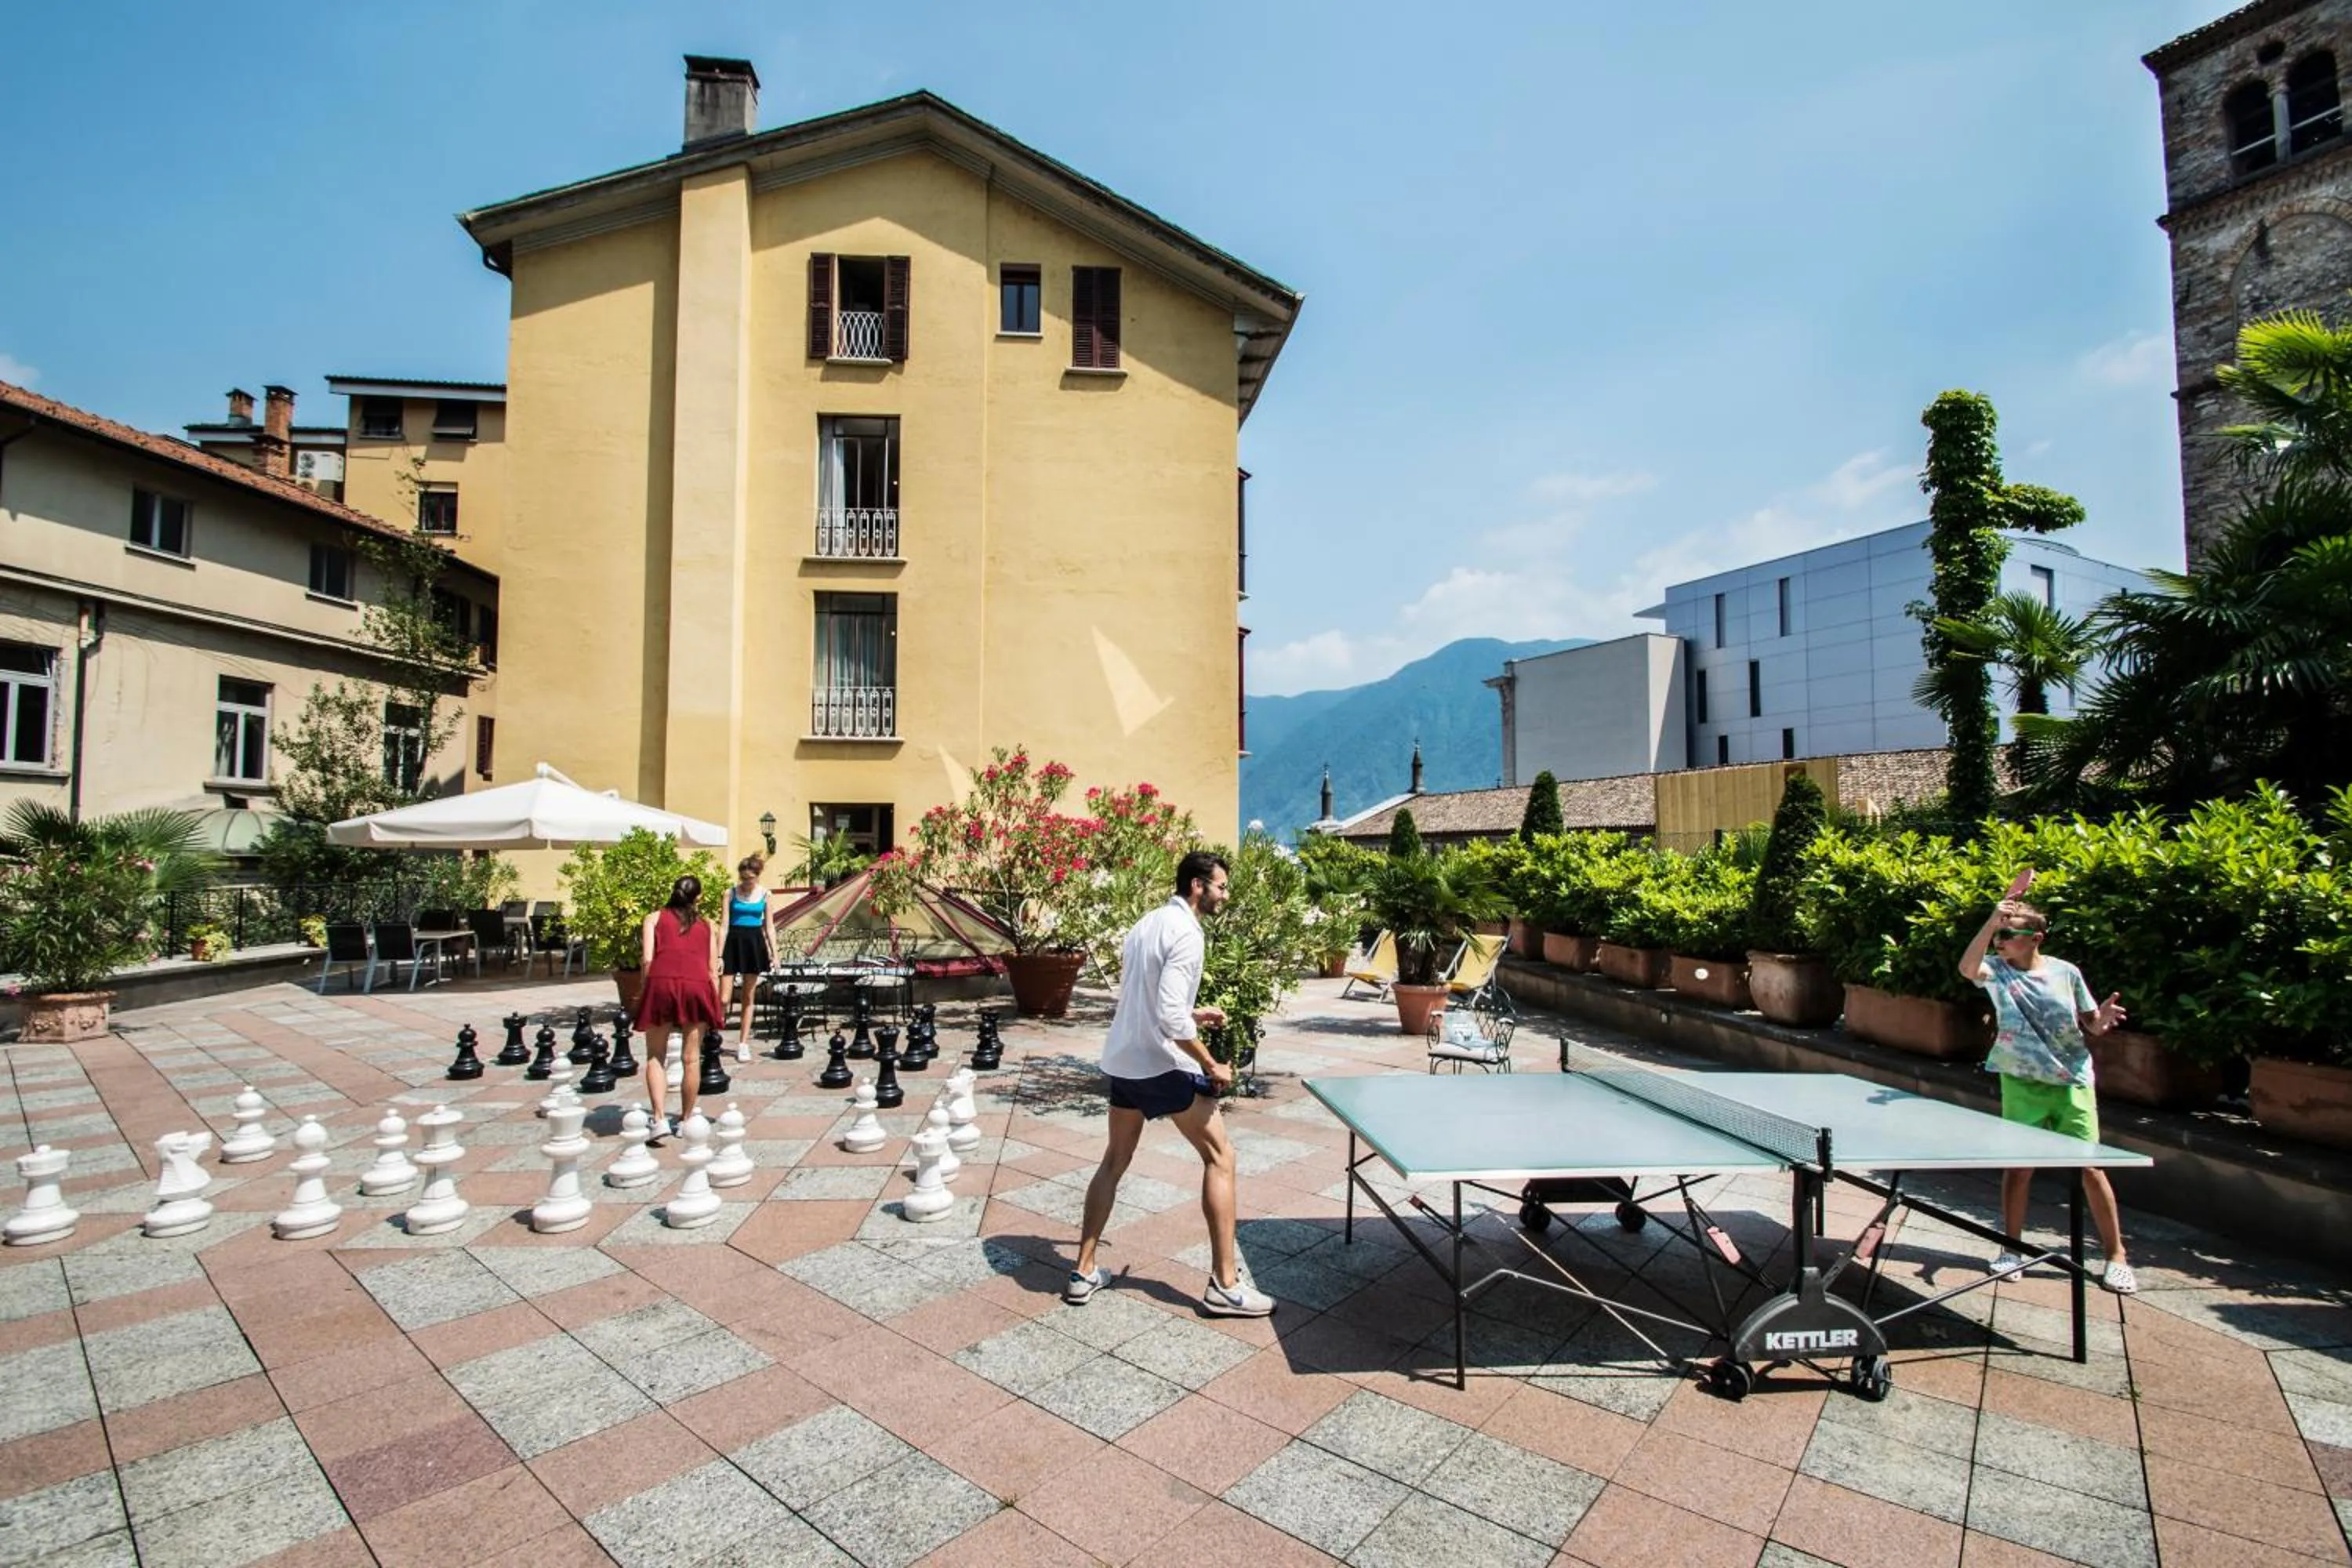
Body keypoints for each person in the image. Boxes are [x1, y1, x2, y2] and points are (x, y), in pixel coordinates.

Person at [1066, 850, 1275, 1317]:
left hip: (1124, 1061)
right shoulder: (1188, 932)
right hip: (1160, 1064)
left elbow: (1147, 997)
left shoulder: (1147, 923)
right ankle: (1225, 1285)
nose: (1226, 894)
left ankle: (1083, 1271)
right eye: (1221, 886)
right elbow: (1167, 1016)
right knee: (1222, 1157)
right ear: (1197, 886)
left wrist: (1191, 1013)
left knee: (1114, 1160)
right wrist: (1211, 1066)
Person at [1958, 895, 2136, 1294]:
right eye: (1998, 934)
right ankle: (2011, 1250)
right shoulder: (1998, 971)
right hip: (2020, 1081)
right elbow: (1967, 967)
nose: (2000, 941)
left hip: (2071, 1081)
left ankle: (2116, 1256)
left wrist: (2102, 1021)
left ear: (2035, 938)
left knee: (2090, 1168)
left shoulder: (2066, 973)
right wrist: (1990, 921)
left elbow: (2090, 1023)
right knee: (2019, 1169)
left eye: (2008, 934)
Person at [633, 874, 724, 1140]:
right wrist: (715, 1003)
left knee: (655, 1055)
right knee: (691, 1058)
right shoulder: (709, 925)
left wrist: (644, 991)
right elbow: (712, 969)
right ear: (699, 897)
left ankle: (659, 1118)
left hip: (661, 982)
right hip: (696, 985)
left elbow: (648, 960)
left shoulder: (653, 918)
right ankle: (685, 1120)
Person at [718, 855, 775, 1062]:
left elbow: (769, 926)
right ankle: (713, 1036)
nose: (746, 882)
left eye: (750, 878)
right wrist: (718, 954)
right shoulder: (730, 893)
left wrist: (774, 954)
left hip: (754, 943)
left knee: (748, 997)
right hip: (733, 942)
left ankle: (743, 1043)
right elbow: (724, 925)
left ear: (757, 876)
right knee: (724, 997)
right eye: (743, 878)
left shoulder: (766, 894)